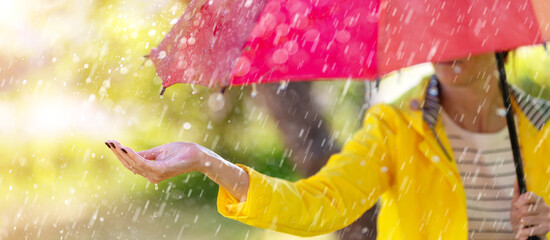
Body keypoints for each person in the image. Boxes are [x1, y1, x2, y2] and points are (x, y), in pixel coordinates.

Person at [105, 52, 550, 239]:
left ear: (502, 35)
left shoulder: (544, 130)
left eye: (465, 24)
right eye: (440, 31)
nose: (448, 46)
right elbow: (318, 202)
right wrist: (209, 163)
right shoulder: (395, 129)